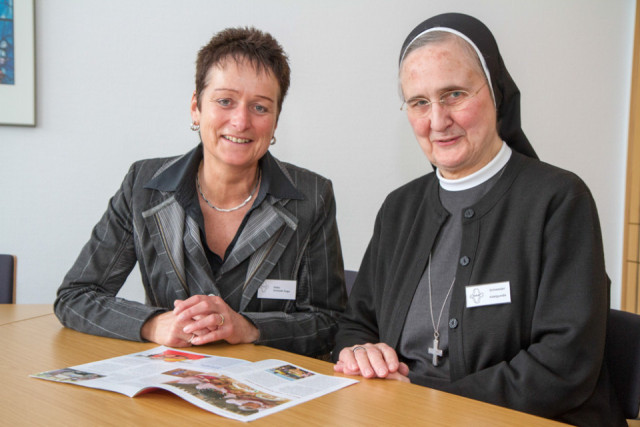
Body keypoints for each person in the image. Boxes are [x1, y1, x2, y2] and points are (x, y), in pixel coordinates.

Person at [332, 13, 625, 426]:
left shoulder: (559, 201)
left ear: (496, 93)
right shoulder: (399, 208)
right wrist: (359, 352)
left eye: (454, 94)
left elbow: (565, 364)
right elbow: (356, 323)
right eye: (419, 102)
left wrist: (426, 402)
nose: (437, 121)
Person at [55, 27, 346, 358]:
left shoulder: (312, 196)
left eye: (261, 108)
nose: (240, 121)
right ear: (196, 107)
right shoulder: (144, 185)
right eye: (225, 101)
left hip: (261, 395)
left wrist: (250, 327)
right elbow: (75, 296)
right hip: (167, 386)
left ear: (276, 120)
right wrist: (153, 324)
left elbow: (330, 323)